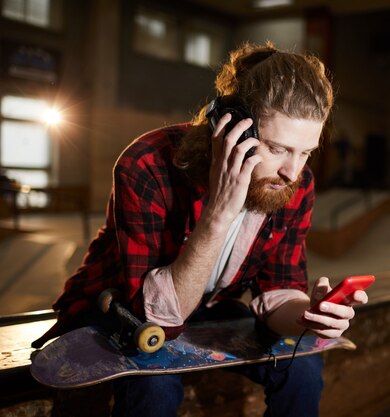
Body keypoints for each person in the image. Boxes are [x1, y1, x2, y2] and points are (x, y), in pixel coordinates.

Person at [33, 42, 369, 416]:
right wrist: (219, 213)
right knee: (154, 380)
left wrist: (311, 314)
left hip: (206, 307)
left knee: (303, 365)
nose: (293, 171)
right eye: (277, 149)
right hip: (121, 303)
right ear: (231, 129)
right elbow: (156, 317)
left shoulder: (296, 184)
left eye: (305, 152)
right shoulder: (148, 164)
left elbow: (277, 289)